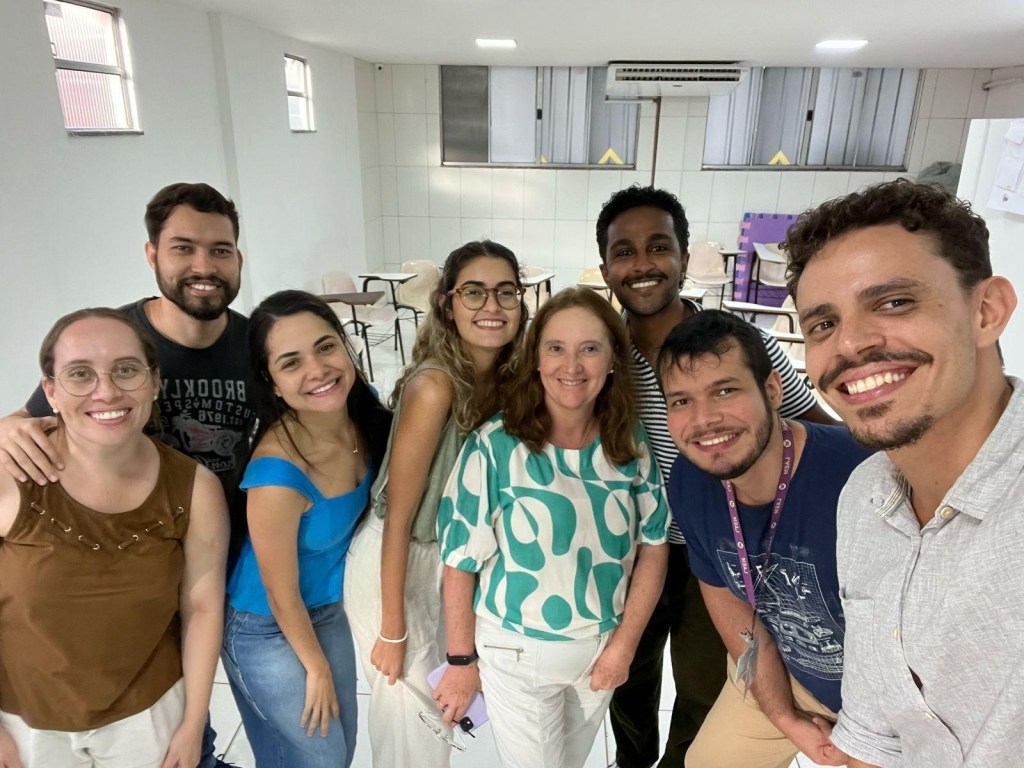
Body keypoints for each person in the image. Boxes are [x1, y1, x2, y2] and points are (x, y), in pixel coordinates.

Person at [0, 182, 254, 768]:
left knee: (184, 733)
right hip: (54, 673)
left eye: (219, 250)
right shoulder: (111, 337)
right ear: (152, 254)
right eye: (183, 247)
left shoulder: (254, 343)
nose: (203, 265)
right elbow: (28, 422)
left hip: (215, 571)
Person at [595, 185, 835, 768]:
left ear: (683, 257)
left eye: (659, 247)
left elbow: (816, 427)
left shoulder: (738, 345)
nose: (643, 264)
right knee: (628, 679)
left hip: (721, 550)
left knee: (705, 685)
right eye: (625, 252)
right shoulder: (600, 357)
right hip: (629, 550)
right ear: (606, 270)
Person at [785, 179, 1022, 768]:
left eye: (894, 302)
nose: (851, 344)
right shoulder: (864, 497)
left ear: (986, 311)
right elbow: (874, 733)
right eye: (822, 324)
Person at [435, 287, 669, 768]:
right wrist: (460, 662)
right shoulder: (495, 446)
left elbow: (654, 542)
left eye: (590, 348)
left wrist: (624, 646)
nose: (572, 366)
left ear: (612, 359)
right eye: (556, 348)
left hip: (601, 649)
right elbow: (459, 561)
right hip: (517, 651)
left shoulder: (628, 440)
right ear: (536, 358)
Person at [657, 310, 870, 768]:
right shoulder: (689, 480)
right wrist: (785, 717)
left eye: (725, 391)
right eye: (681, 401)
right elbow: (732, 606)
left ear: (772, 390)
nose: (704, 420)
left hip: (889, 697)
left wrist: (869, 742)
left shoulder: (861, 474)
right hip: (788, 674)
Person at [344, 240, 527, 767]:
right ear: (447, 303)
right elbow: (398, 518)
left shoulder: (506, 382)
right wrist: (392, 627)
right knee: (411, 731)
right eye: (474, 292)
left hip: (452, 566)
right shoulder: (435, 386)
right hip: (402, 562)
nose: (492, 306)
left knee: (439, 720)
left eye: (506, 292)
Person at [221, 290, 391, 767]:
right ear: (273, 384)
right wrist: (315, 668)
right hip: (264, 625)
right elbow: (279, 592)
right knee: (322, 757)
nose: (317, 369)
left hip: (326, 609)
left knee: (342, 747)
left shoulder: (364, 416)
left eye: (325, 346)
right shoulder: (278, 472)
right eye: (291, 362)